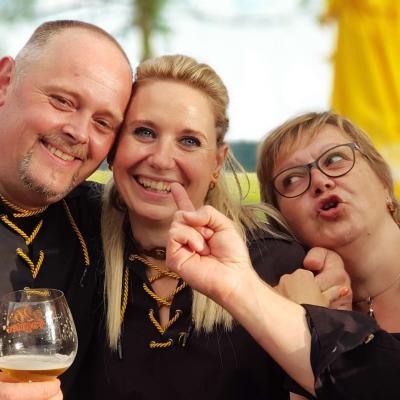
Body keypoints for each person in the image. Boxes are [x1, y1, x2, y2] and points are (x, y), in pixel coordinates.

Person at [82, 55, 348, 400]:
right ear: (114, 146)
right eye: (144, 132)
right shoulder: (79, 244)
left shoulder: (274, 262)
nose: (161, 159)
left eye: (189, 141)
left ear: (217, 162)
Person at [166, 111, 400, 399]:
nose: (319, 181)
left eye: (334, 159)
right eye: (292, 179)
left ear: (383, 181)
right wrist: (309, 319)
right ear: (282, 219)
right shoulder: (286, 301)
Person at [0, 20, 132, 399]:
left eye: (103, 122)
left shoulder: (108, 223)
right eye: (62, 101)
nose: (79, 132)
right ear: (4, 82)